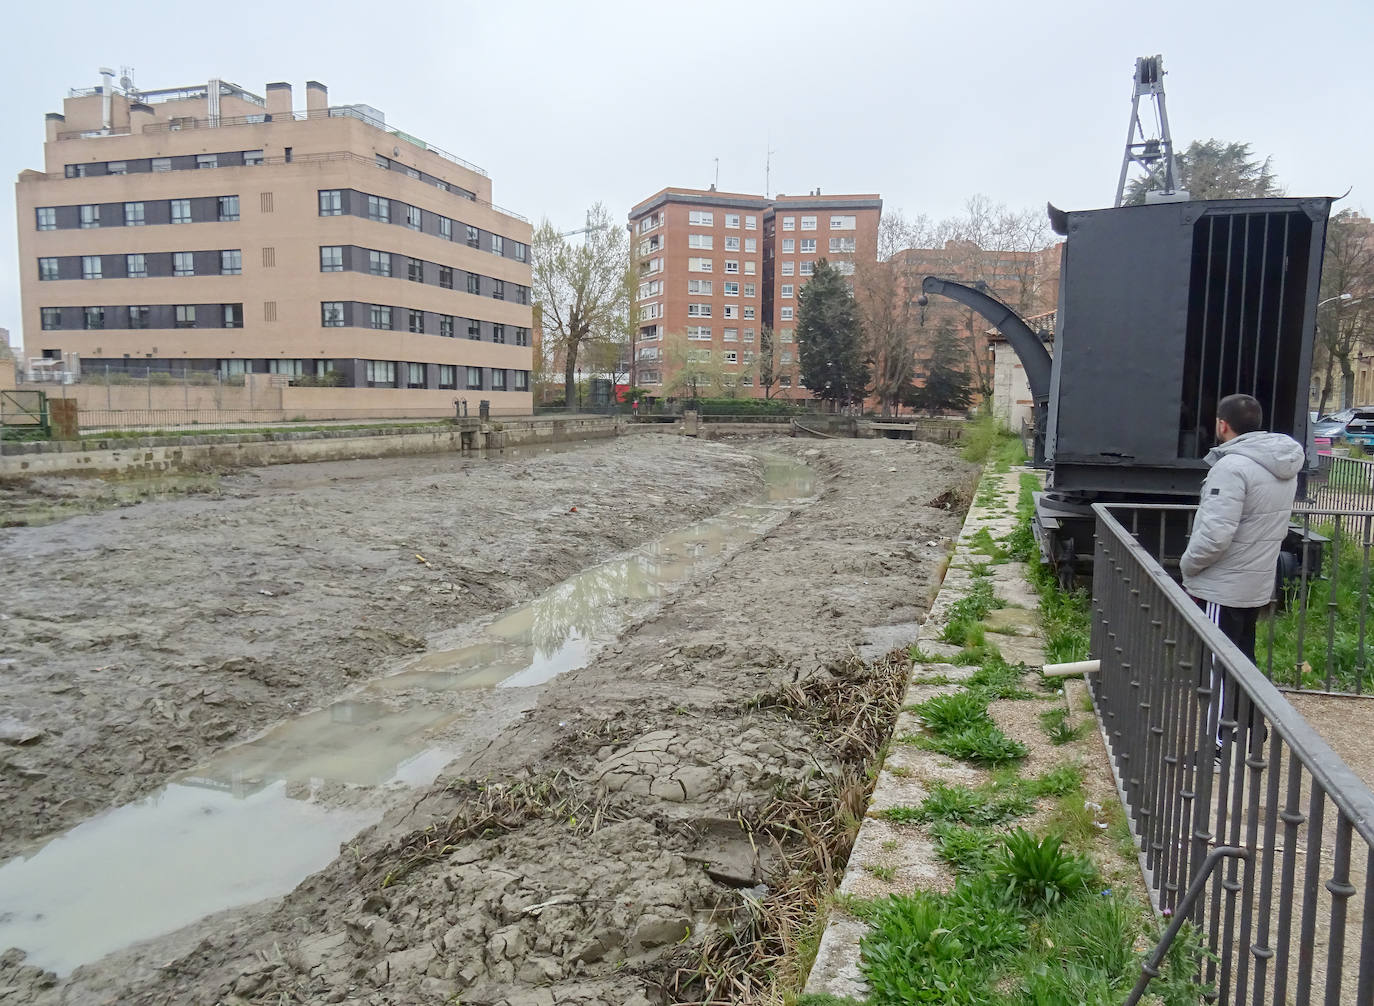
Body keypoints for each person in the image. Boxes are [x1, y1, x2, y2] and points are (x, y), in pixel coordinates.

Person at [1180, 393, 1304, 765]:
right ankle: (1253, 727)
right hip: (1255, 582)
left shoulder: (1232, 467)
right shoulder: (1281, 464)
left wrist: (1188, 565)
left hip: (1223, 584)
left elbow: (1216, 535)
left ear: (1222, 424)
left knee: (1217, 665)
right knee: (1243, 658)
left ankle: (1214, 747)